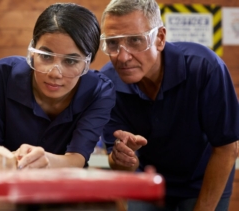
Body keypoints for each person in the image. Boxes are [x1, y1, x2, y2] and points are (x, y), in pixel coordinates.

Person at [99, 0, 239, 210]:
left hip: (202, 181)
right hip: (147, 179)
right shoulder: (107, 84)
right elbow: (119, 163)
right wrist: (123, 158)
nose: (123, 56)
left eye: (136, 40)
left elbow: (227, 148)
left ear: (160, 38)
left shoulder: (204, 68)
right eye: (112, 43)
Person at [0, 3, 115, 170]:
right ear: (33, 51)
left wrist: (45, 160)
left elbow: (77, 158)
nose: (55, 73)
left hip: (63, 190)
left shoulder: (99, 91)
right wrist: (14, 158)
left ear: (87, 63)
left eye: (70, 61)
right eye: (46, 56)